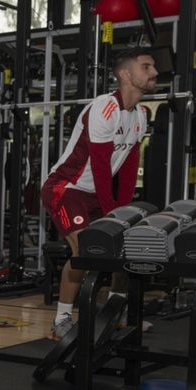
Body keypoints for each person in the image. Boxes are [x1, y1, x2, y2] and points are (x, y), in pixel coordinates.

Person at [40, 47, 156, 340]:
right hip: (65, 188)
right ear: (125, 74)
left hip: (92, 192)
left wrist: (124, 216)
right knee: (85, 250)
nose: (154, 72)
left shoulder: (140, 115)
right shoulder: (104, 109)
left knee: (124, 244)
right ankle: (61, 320)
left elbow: (129, 168)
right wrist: (111, 216)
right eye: (146, 67)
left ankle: (115, 312)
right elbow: (102, 168)